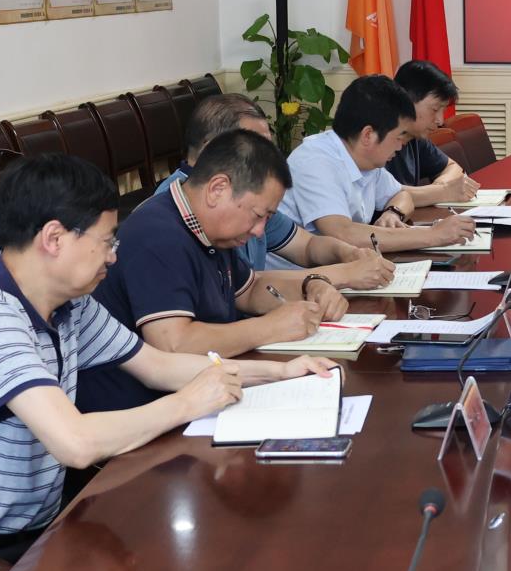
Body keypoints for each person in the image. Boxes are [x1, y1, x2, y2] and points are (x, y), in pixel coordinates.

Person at [0, 154, 334, 571]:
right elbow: (75, 443)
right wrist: (187, 404)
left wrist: (279, 373)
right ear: (54, 239)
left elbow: (157, 366)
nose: (113, 256)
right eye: (106, 242)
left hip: (37, 537)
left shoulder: (66, 303)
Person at [78, 130, 354, 412]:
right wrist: (270, 327)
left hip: (198, 393)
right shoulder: (157, 235)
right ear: (217, 189)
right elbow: (173, 345)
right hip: (137, 412)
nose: (260, 231)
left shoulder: (209, 229)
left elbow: (248, 290)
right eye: (259, 216)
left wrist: (311, 285)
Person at [156, 91, 392, 286]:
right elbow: (245, 288)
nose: (267, 157)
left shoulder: (249, 194)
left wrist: (347, 253)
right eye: (254, 146)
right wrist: (342, 275)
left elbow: (306, 246)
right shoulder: (183, 205)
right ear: (212, 149)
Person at [281, 74, 477, 254]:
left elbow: (401, 194)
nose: (400, 146)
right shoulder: (316, 160)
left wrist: (393, 213)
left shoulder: (365, 161)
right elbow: (342, 234)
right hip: (301, 278)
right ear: (368, 135)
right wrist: (434, 235)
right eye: (398, 137)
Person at [388, 60, 480, 206]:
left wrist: (440, 189)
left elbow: (453, 168)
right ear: (406, 102)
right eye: (435, 109)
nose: (440, 120)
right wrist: (443, 192)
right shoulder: (378, 138)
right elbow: (385, 194)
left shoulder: (415, 137)